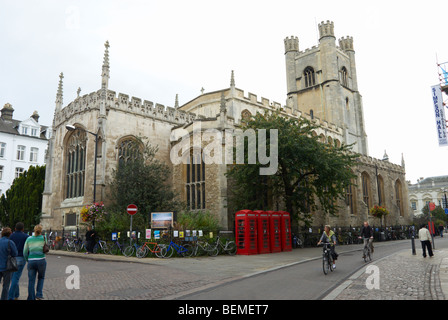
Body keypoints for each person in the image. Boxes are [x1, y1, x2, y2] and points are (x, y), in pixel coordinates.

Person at [23, 224, 47, 300]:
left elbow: (24, 252)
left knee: (31, 280)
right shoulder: (43, 238)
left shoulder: (29, 239)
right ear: (41, 230)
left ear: (34, 230)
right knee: (41, 277)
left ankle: (31, 297)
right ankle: (39, 294)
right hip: (41, 260)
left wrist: (27, 259)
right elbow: (45, 248)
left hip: (31, 261)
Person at [8, 222, 29, 300]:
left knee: (13, 277)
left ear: (15, 228)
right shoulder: (26, 236)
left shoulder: (11, 236)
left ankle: (16, 294)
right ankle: (11, 296)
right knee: (15, 278)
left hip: (12, 258)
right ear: (23, 229)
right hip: (21, 257)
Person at [0, 227, 18, 300]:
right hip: (7, 267)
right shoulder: (10, 242)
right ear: (10, 234)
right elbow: (15, 253)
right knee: (6, 286)